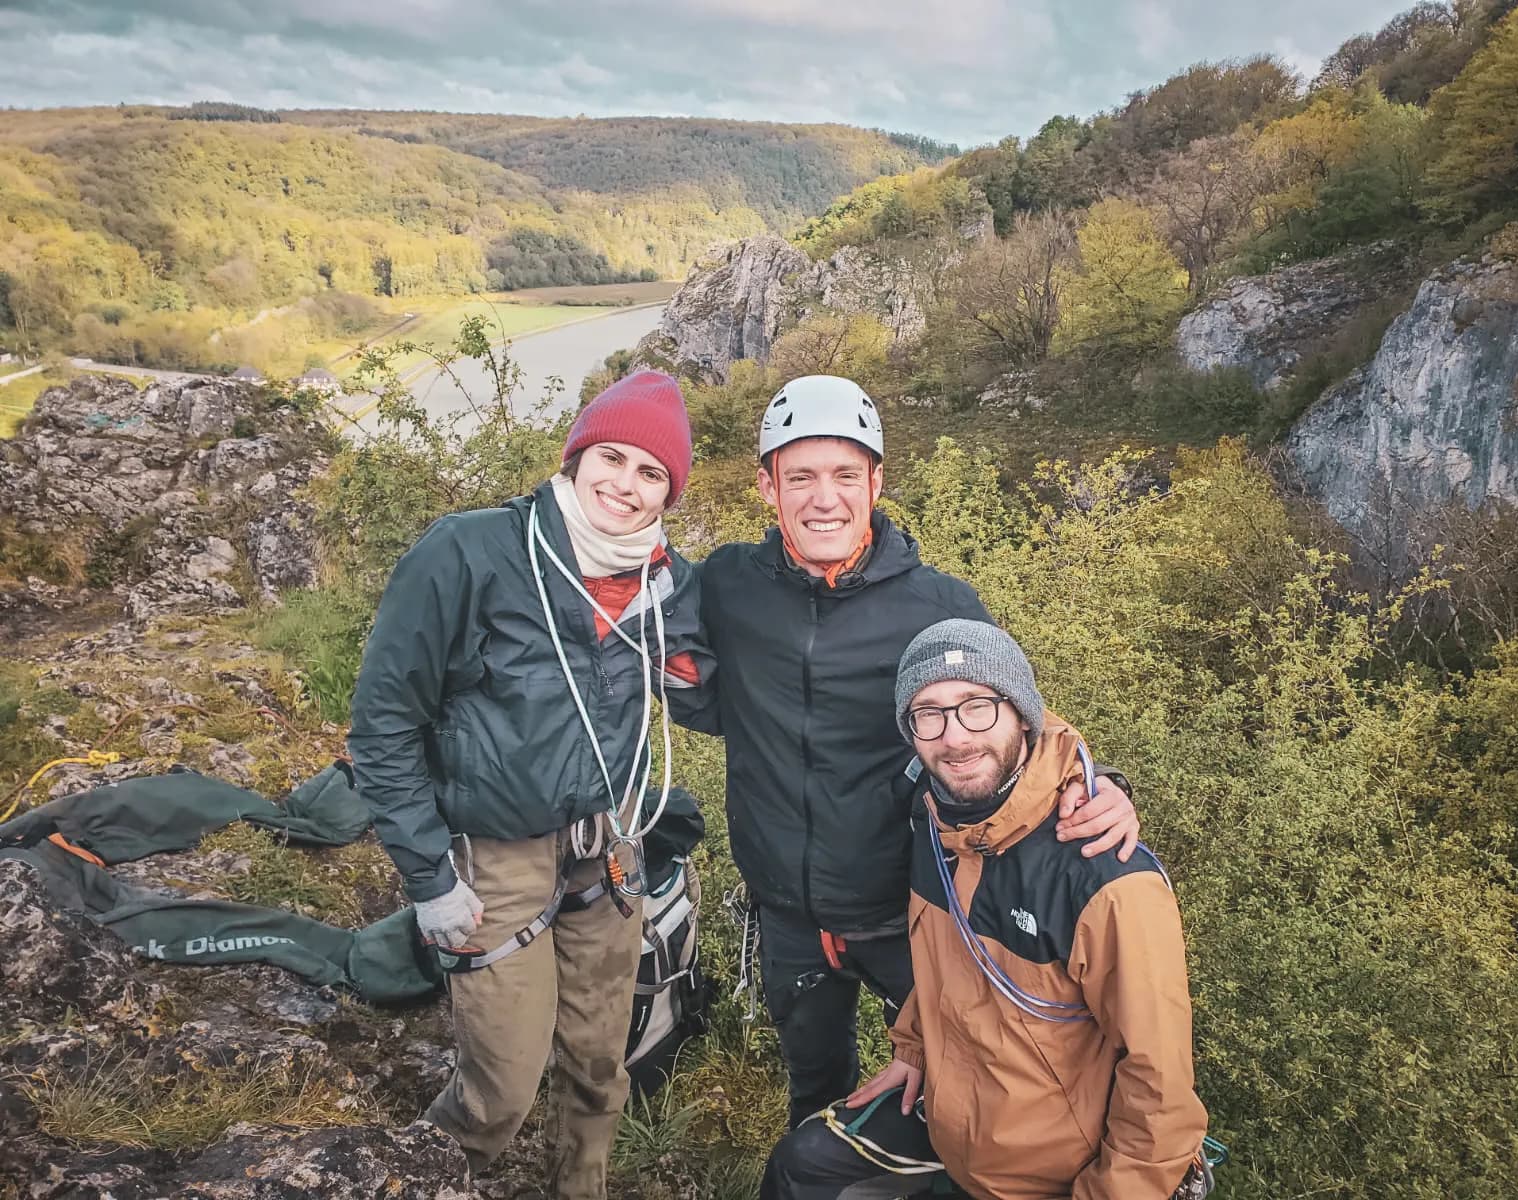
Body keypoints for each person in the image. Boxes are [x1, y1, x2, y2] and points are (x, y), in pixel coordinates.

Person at [675, 376, 1138, 1129]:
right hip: (789, 915)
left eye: (845, 476)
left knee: (953, 1095)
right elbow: (646, 628)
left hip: (913, 911)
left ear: (876, 483)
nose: (824, 498)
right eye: (801, 477)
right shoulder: (728, 585)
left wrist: (1097, 782)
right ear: (767, 487)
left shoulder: (938, 605)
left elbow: (1015, 731)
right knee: (815, 1093)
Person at [348, 370, 714, 1198]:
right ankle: (427, 1178)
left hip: (609, 841)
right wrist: (429, 878)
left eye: (651, 472)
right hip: (497, 851)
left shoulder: (665, 582)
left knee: (598, 1061)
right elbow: (383, 725)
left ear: (670, 492)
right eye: (611, 457)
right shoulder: (472, 551)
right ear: (577, 456)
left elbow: (706, 690)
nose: (624, 484)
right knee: (503, 1085)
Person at [760, 618, 1210, 1200]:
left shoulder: (1103, 874)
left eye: (978, 705)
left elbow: (1161, 1090)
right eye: (929, 714)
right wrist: (915, 1047)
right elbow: (948, 968)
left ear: (1022, 713)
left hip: (1053, 1172)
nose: (955, 737)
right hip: (954, 1123)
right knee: (802, 1167)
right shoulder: (936, 823)